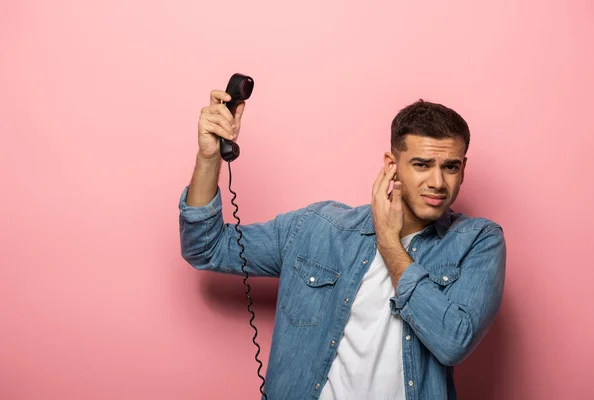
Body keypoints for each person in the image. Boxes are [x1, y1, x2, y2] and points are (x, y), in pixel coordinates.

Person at [178, 88, 506, 400]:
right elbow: (207, 247)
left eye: (450, 167)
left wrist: (389, 242)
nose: (437, 182)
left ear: (463, 169)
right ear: (392, 165)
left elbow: (453, 342)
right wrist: (209, 157)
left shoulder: (477, 241)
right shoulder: (318, 228)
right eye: (421, 165)